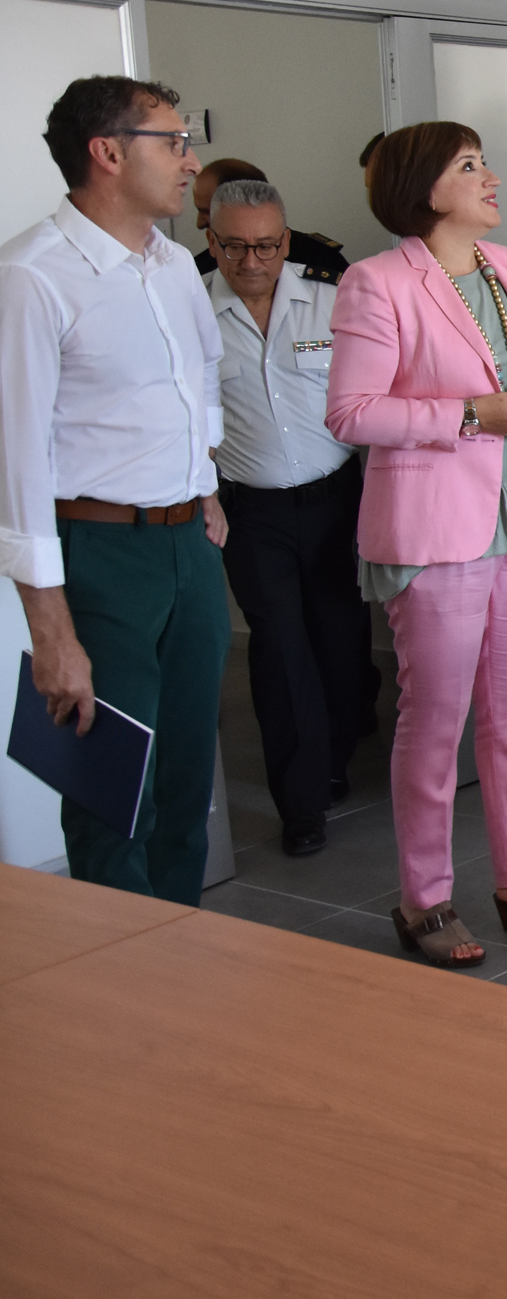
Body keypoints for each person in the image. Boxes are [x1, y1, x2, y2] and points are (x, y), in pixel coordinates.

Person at [326, 121, 507, 967]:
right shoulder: (377, 283)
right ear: (424, 187)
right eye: (470, 165)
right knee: (435, 718)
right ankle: (425, 898)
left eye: (485, 162)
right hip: (435, 525)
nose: (491, 177)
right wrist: (466, 415)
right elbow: (350, 412)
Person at [0, 76, 231, 902]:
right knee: (108, 787)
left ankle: (179, 948)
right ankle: (116, 981)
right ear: (107, 152)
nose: (188, 160)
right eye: (171, 142)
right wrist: (51, 631)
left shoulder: (170, 264)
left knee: (183, 779)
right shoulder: (32, 276)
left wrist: (204, 482)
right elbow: (16, 463)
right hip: (98, 555)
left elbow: (201, 366)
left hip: (186, 547)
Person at [204, 178, 377, 857]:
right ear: (211, 241)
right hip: (252, 513)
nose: (253, 260)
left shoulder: (332, 303)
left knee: (338, 642)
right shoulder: (192, 311)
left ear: (287, 238)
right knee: (278, 650)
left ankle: (331, 760)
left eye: (268, 244)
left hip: (335, 500)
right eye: (237, 245)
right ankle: (300, 802)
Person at [189, 157, 348, 277]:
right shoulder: (197, 271)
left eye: (207, 211)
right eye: (235, 248)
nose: (199, 223)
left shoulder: (321, 261)